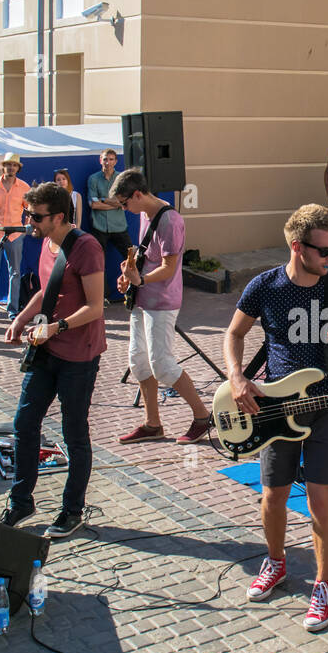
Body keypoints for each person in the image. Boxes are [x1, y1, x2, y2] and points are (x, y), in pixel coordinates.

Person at [223, 204, 328, 632]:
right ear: (298, 248)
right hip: (278, 409)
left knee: (321, 499)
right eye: (325, 252)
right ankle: (276, 563)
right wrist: (238, 376)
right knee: (273, 496)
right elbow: (234, 333)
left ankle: (322, 584)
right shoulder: (265, 286)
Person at [0, 182, 106, 540]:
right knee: (24, 423)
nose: (29, 221)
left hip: (79, 355)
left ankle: (72, 510)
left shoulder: (87, 247)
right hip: (47, 349)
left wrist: (56, 327)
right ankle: (21, 501)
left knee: (74, 434)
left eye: (36, 216)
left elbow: (95, 306)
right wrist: (21, 317)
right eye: (27, 214)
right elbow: (49, 289)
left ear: (59, 216)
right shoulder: (46, 243)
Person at [110, 168, 212, 445]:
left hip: (162, 302)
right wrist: (128, 274)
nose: (125, 209)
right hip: (143, 298)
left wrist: (139, 278)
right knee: (139, 362)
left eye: (125, 202)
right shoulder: (146, 215)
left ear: (138, 194)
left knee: (162, 364)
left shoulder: (170, 220)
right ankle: (152, 423)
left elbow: (169, 268)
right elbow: (146, 257)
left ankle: (203, 416)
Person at [0, 152, 30, 323]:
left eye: (14, 165)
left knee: (15, 272)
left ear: (18, 168)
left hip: (15, 234)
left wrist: (26, 227)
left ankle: (13, 310)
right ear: (3, 166)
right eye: (8, 164)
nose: (11, 168)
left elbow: (29, 208)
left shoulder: (24, 187)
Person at [86, 148, 131, 301]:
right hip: (99, 227)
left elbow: (123, 202)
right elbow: (94, 204)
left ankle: (134, 291)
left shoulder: (121, 178)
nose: (108, 162)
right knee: (98, 263)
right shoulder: (93, 179)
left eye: (111, 159)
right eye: (105, 159)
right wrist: (113, 203)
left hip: (119, 226)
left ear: (116, 161)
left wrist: (103, 200)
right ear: (100, 160)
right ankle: (102, 297)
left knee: (131, 258)